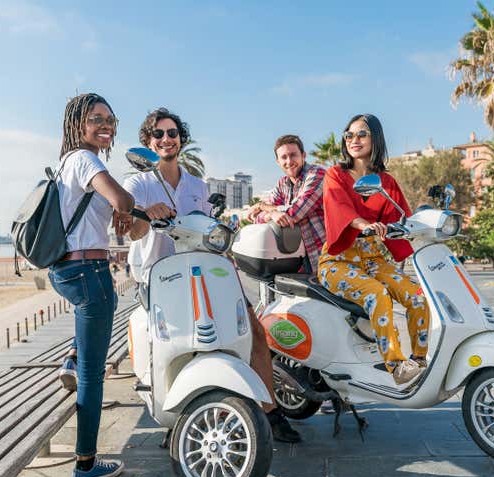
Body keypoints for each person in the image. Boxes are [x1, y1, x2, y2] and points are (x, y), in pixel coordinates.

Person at [125, 107, 301, 443]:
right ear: (148, 141)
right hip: (158, 278)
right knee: (171, 342)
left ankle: (269, 410)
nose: (166, 139)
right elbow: (132, 233)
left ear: (181, 139)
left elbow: (208, 230)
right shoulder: (139, 182)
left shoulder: (196, 185)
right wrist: (147, 214)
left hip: (200, 270)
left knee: (252, 329)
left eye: (172, 133)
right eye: (158, 134)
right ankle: (178, 415)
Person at [49, 93, 135, 477]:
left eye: (110, 119)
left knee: (92, 330)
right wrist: (124, 205)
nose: (106, 125)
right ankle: (85, 464)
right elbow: (122, 198)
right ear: (77, 124)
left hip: (69, 268)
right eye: (96, 118)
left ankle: (70, 355)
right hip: (88, 270)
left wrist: (121, 210)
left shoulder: (69, 161)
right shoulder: (86, 159)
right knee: (93, 375)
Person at [319, 114, 430, 385]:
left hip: (374, 259)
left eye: (362, 134)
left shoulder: (386, 182)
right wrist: (364, 224)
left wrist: (424, 227)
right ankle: (395, 365)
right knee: (378, 294)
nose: (354, 140)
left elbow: (401, 215)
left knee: (417, 295)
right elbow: (339, 208)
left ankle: (418, 361)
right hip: (338, 261)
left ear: (375, 139)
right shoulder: (335, 174)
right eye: (349, 135)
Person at [247, 135, 326, 274]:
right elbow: (257, 220)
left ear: (303, 155)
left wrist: (262, 206)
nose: (289, 161)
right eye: (284, 157)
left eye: (293, 155)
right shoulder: (282, 183)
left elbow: (294, 213)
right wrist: (273, 214)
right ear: (278, 161)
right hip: (295, 261)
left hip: (325, 256)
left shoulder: (317, 174)